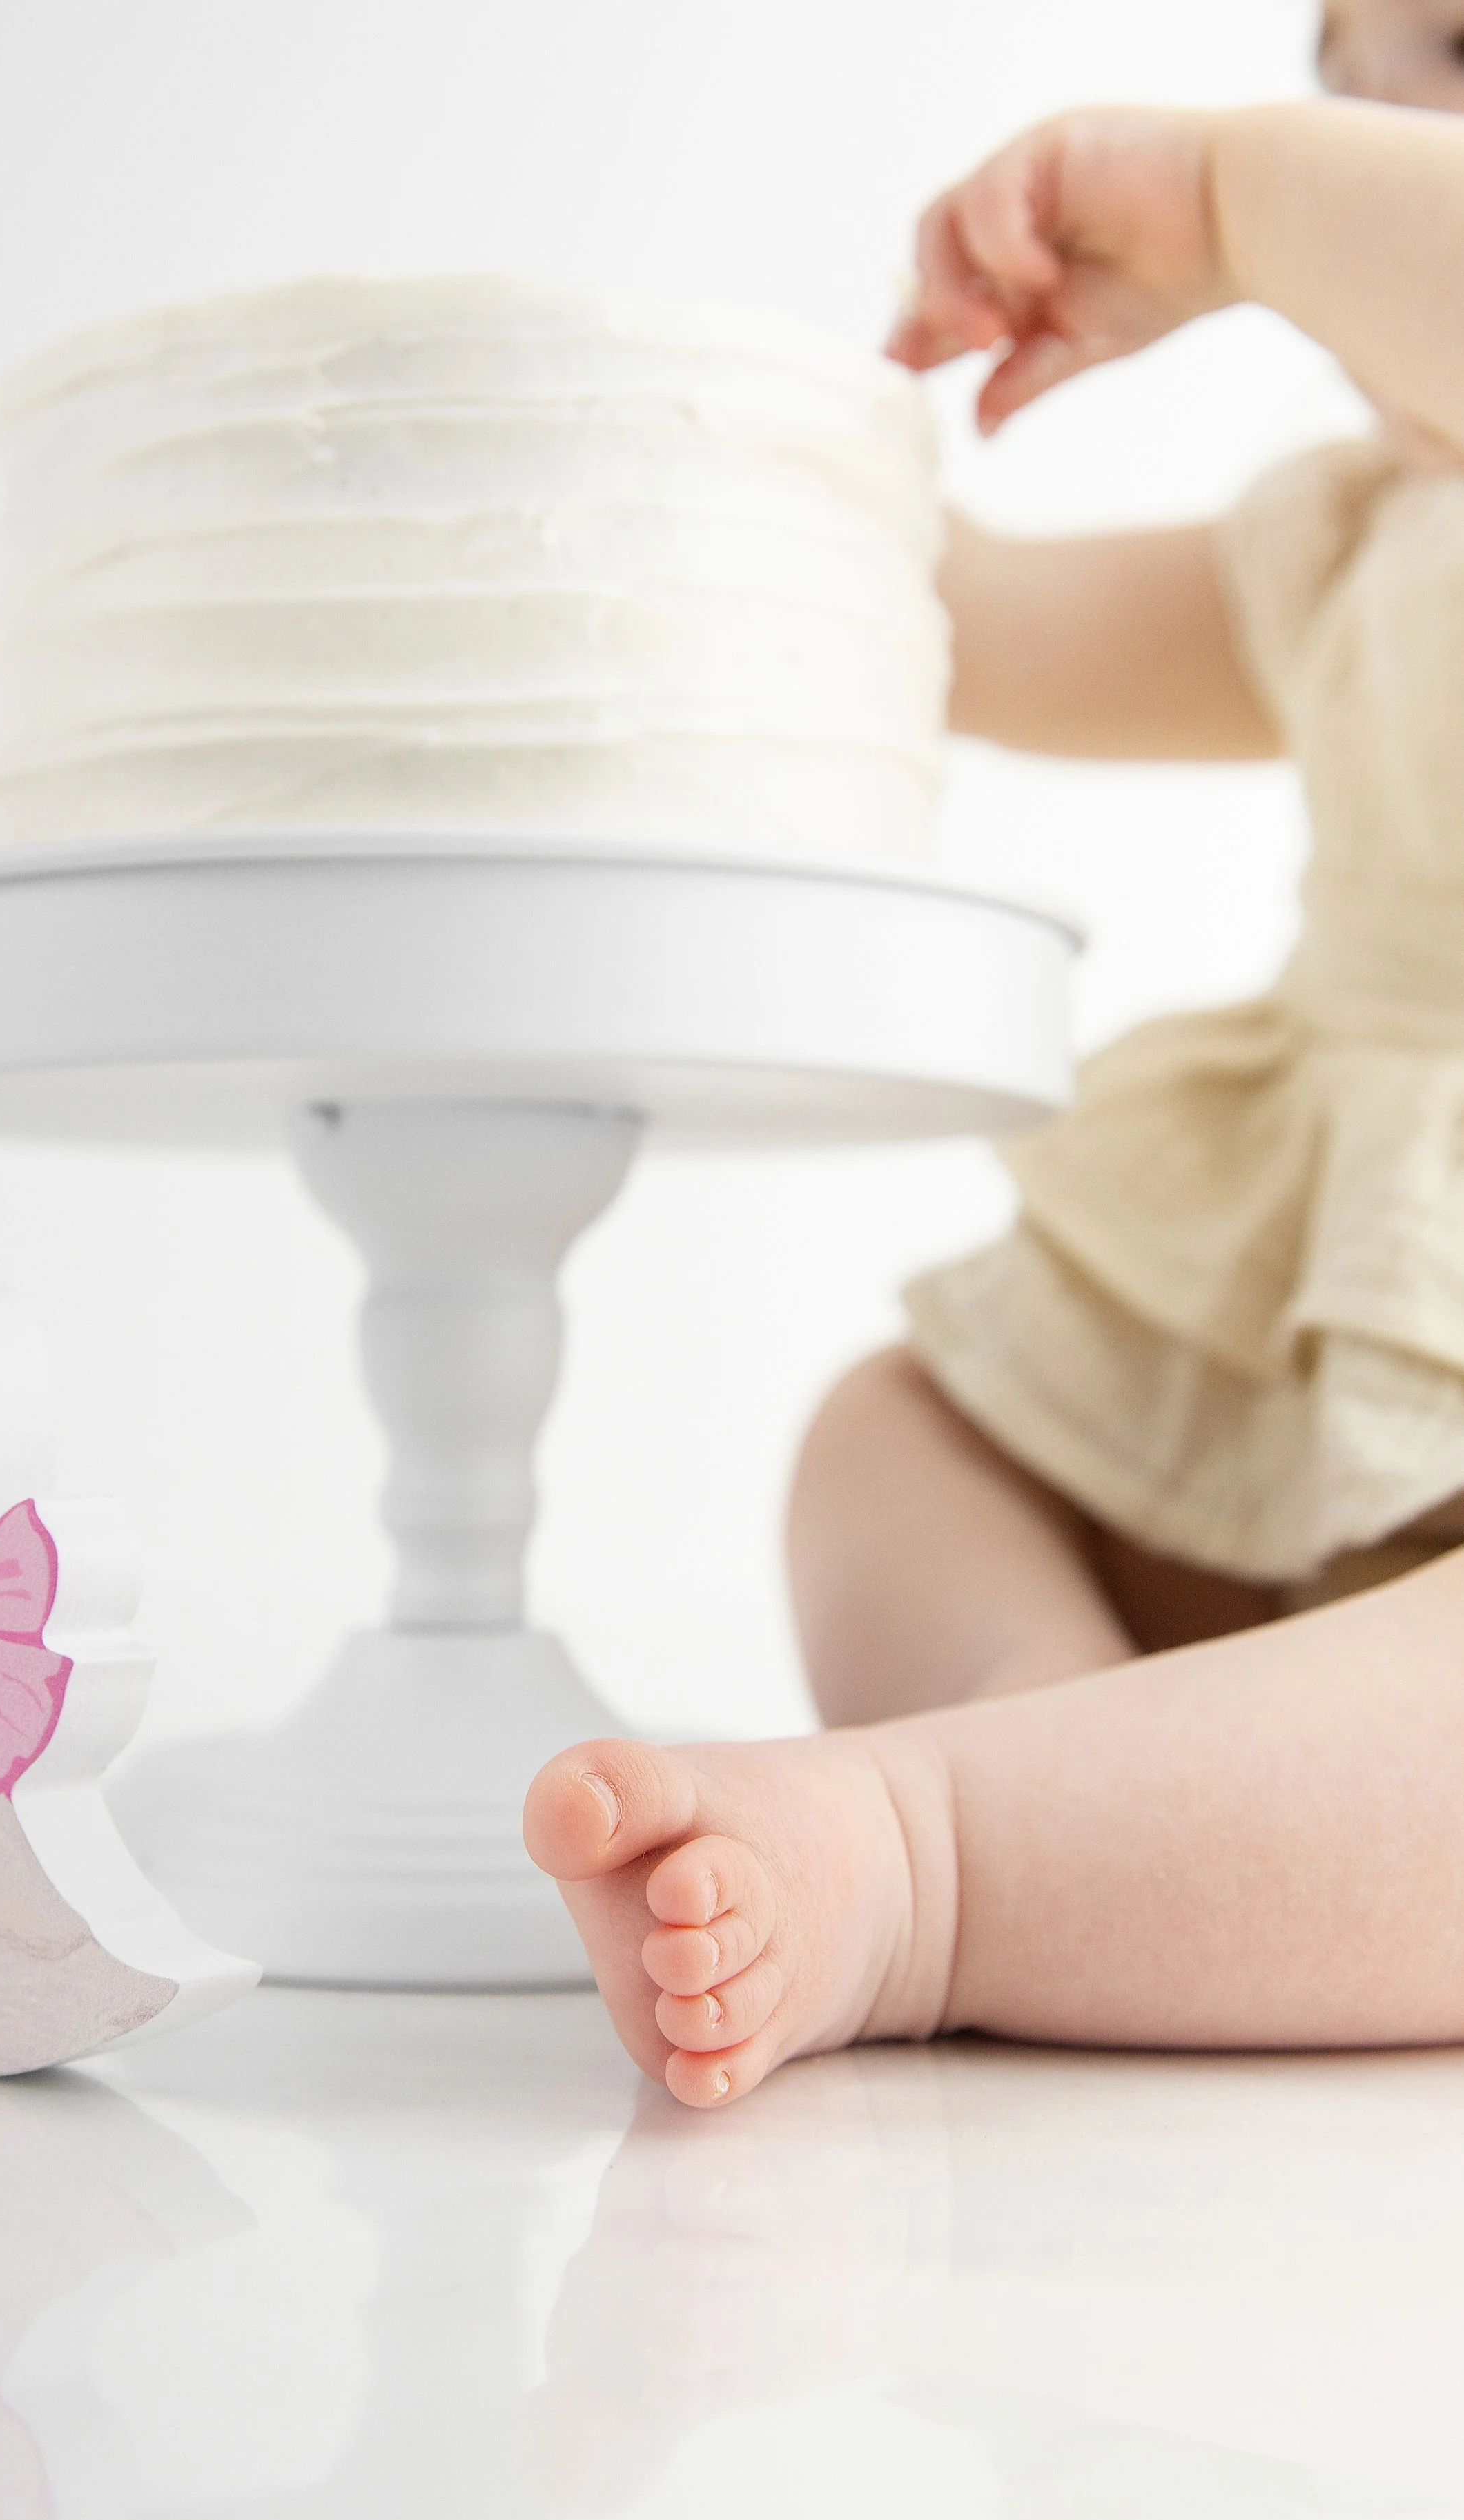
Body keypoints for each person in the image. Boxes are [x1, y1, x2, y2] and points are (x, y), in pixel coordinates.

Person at [523, 11, 1464, 2108]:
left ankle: (937, 1856)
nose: (1374, 136)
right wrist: (759, 485)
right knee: (898, 1431)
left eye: (1456, 53)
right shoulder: (1342, 541)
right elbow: (975, 633)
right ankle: (1075, 1767)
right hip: (1329, 1343)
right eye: (1338, 83)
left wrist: (1226, 193)